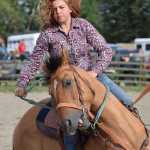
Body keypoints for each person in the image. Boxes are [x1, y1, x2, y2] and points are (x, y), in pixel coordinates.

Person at [15, 0, 132, 149]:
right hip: (65, 87)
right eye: (54, 9)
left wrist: (94, 72)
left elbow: (105, 51)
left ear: (70, 8)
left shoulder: (83, 25)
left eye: (61, 7)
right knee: (70, 128)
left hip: (92, 78)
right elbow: (34, 60)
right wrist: (22, 83)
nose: (58, 11)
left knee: (127, 101)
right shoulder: (48, 34)